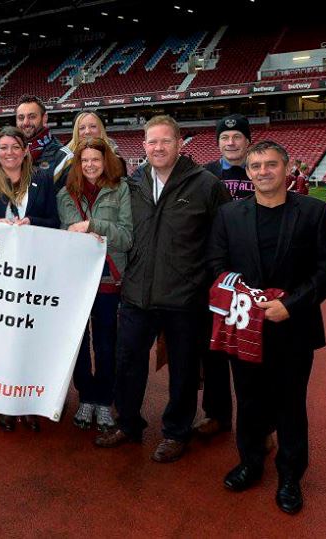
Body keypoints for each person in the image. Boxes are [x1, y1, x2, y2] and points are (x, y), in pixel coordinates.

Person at [206, 140, 326, 515]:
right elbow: (216, 263)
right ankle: (250, 463)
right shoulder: (229, 215)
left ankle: (290, 477)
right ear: (247, 174)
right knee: (248, 400)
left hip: (292, 328)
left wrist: (290, 305)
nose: (263, 172)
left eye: (270, 165)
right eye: (256, 167)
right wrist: (245, 299)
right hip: (244, 326)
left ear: (286, 168)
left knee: (290, 405)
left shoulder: (314, 213)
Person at [95, 115, 231, 463]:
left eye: (165, 141)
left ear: (179, 142)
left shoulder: (206, 184)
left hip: (185, 297)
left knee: (183, 370)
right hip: (138, 292)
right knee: (128, 363)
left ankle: (176, 431)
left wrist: (206, 284)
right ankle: (128, 423)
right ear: (143, 146)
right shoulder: (133, 183)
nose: (157, 147)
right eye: (151, 142)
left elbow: (222, 239)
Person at [0, 126, 59, 432]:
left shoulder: (44, 179)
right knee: (2, 338)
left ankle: (29, 402)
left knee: (30, 336)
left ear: (24, 151)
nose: (9, 153)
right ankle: (3, 402)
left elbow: (55, 222)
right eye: (3, 148)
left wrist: (32, 222)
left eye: (14, 147)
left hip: (33, 272)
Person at [57, 137, 132, 433]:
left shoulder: (121, 189)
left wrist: (94, 226)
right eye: (84, 160)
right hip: (75, 281)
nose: (90, 165)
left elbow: (127, 238)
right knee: (76, 345)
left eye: (95, 160)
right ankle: (86, 396)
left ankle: (103, 398)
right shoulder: (65, 194)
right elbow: (65, 235)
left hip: (108, 281)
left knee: (105, 343)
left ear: (106, 162)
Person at [195, 114, 253, 438]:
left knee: (250, 351)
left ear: (248, 140)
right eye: (225, 137)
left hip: (252, 273)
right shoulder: (207, 174)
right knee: (213, 348)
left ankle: (261, 423)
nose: (230, 142)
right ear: (217, 142)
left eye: (236, 137)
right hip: (214, 272)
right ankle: (216, 414)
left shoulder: (259, 168)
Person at [53, 111, 121, 187]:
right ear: (76, 132)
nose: (87, 132)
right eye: (82, 128)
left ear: (102, 130)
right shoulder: (64, 158)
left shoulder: (116, 159)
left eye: (93, 126)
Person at [15, 94, 63, 178]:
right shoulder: (6, 154)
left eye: (32, 117)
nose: (26, 122)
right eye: (21, 118)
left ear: (44, 118)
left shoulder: (62, 157)